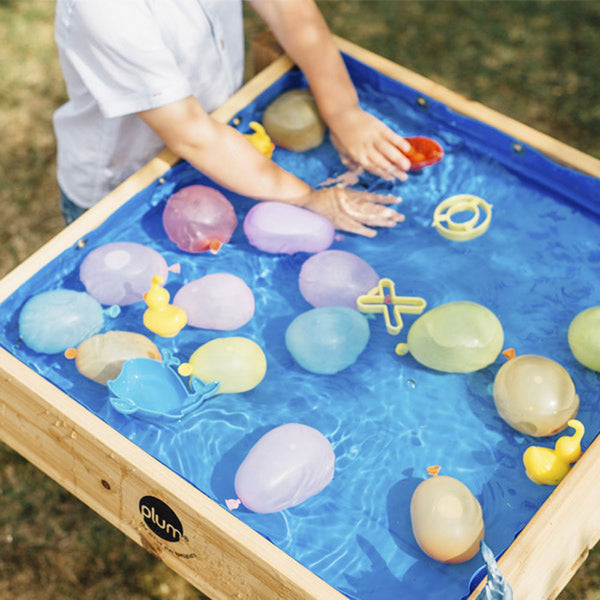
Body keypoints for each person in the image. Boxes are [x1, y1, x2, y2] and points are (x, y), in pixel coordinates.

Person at [53, 0, 413, 236]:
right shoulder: (105, 9)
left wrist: (343, 110)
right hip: (126, 184)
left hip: (220, 141)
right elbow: (191, 134)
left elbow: (289, 11)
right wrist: (310, 199)